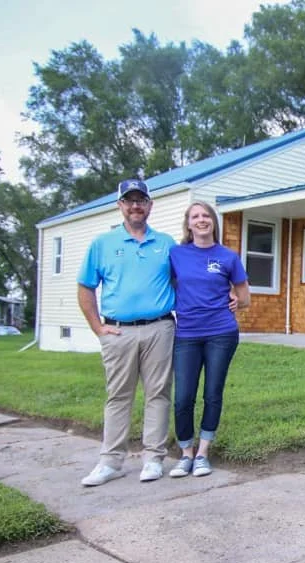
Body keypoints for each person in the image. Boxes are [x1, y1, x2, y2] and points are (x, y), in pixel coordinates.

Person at [77, 179, 176, 486]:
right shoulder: (102, 244)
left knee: (158, 394)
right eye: (129, 200)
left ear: (150, 205)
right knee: (119, 396)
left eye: (141, 200)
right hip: (118, 332)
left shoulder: (166, 243)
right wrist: (97, 327)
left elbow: (188, 280)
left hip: (160, 328)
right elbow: (85, 287)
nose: (136, 205)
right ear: (120, 205)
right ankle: (111, 462)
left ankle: (153, 458)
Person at [168, 201, 250, 478]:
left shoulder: (228, 257)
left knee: (212, 393)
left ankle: (202, 453)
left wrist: (236, 300)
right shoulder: (176, 254)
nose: (201, 220)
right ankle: (185, 453)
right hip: (186, 335)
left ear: (213, 222)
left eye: (206, 216)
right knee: (183, 397)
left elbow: (246, 297)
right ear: (188, 224)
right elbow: (163, 285)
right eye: (195, 216)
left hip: (221, 333)